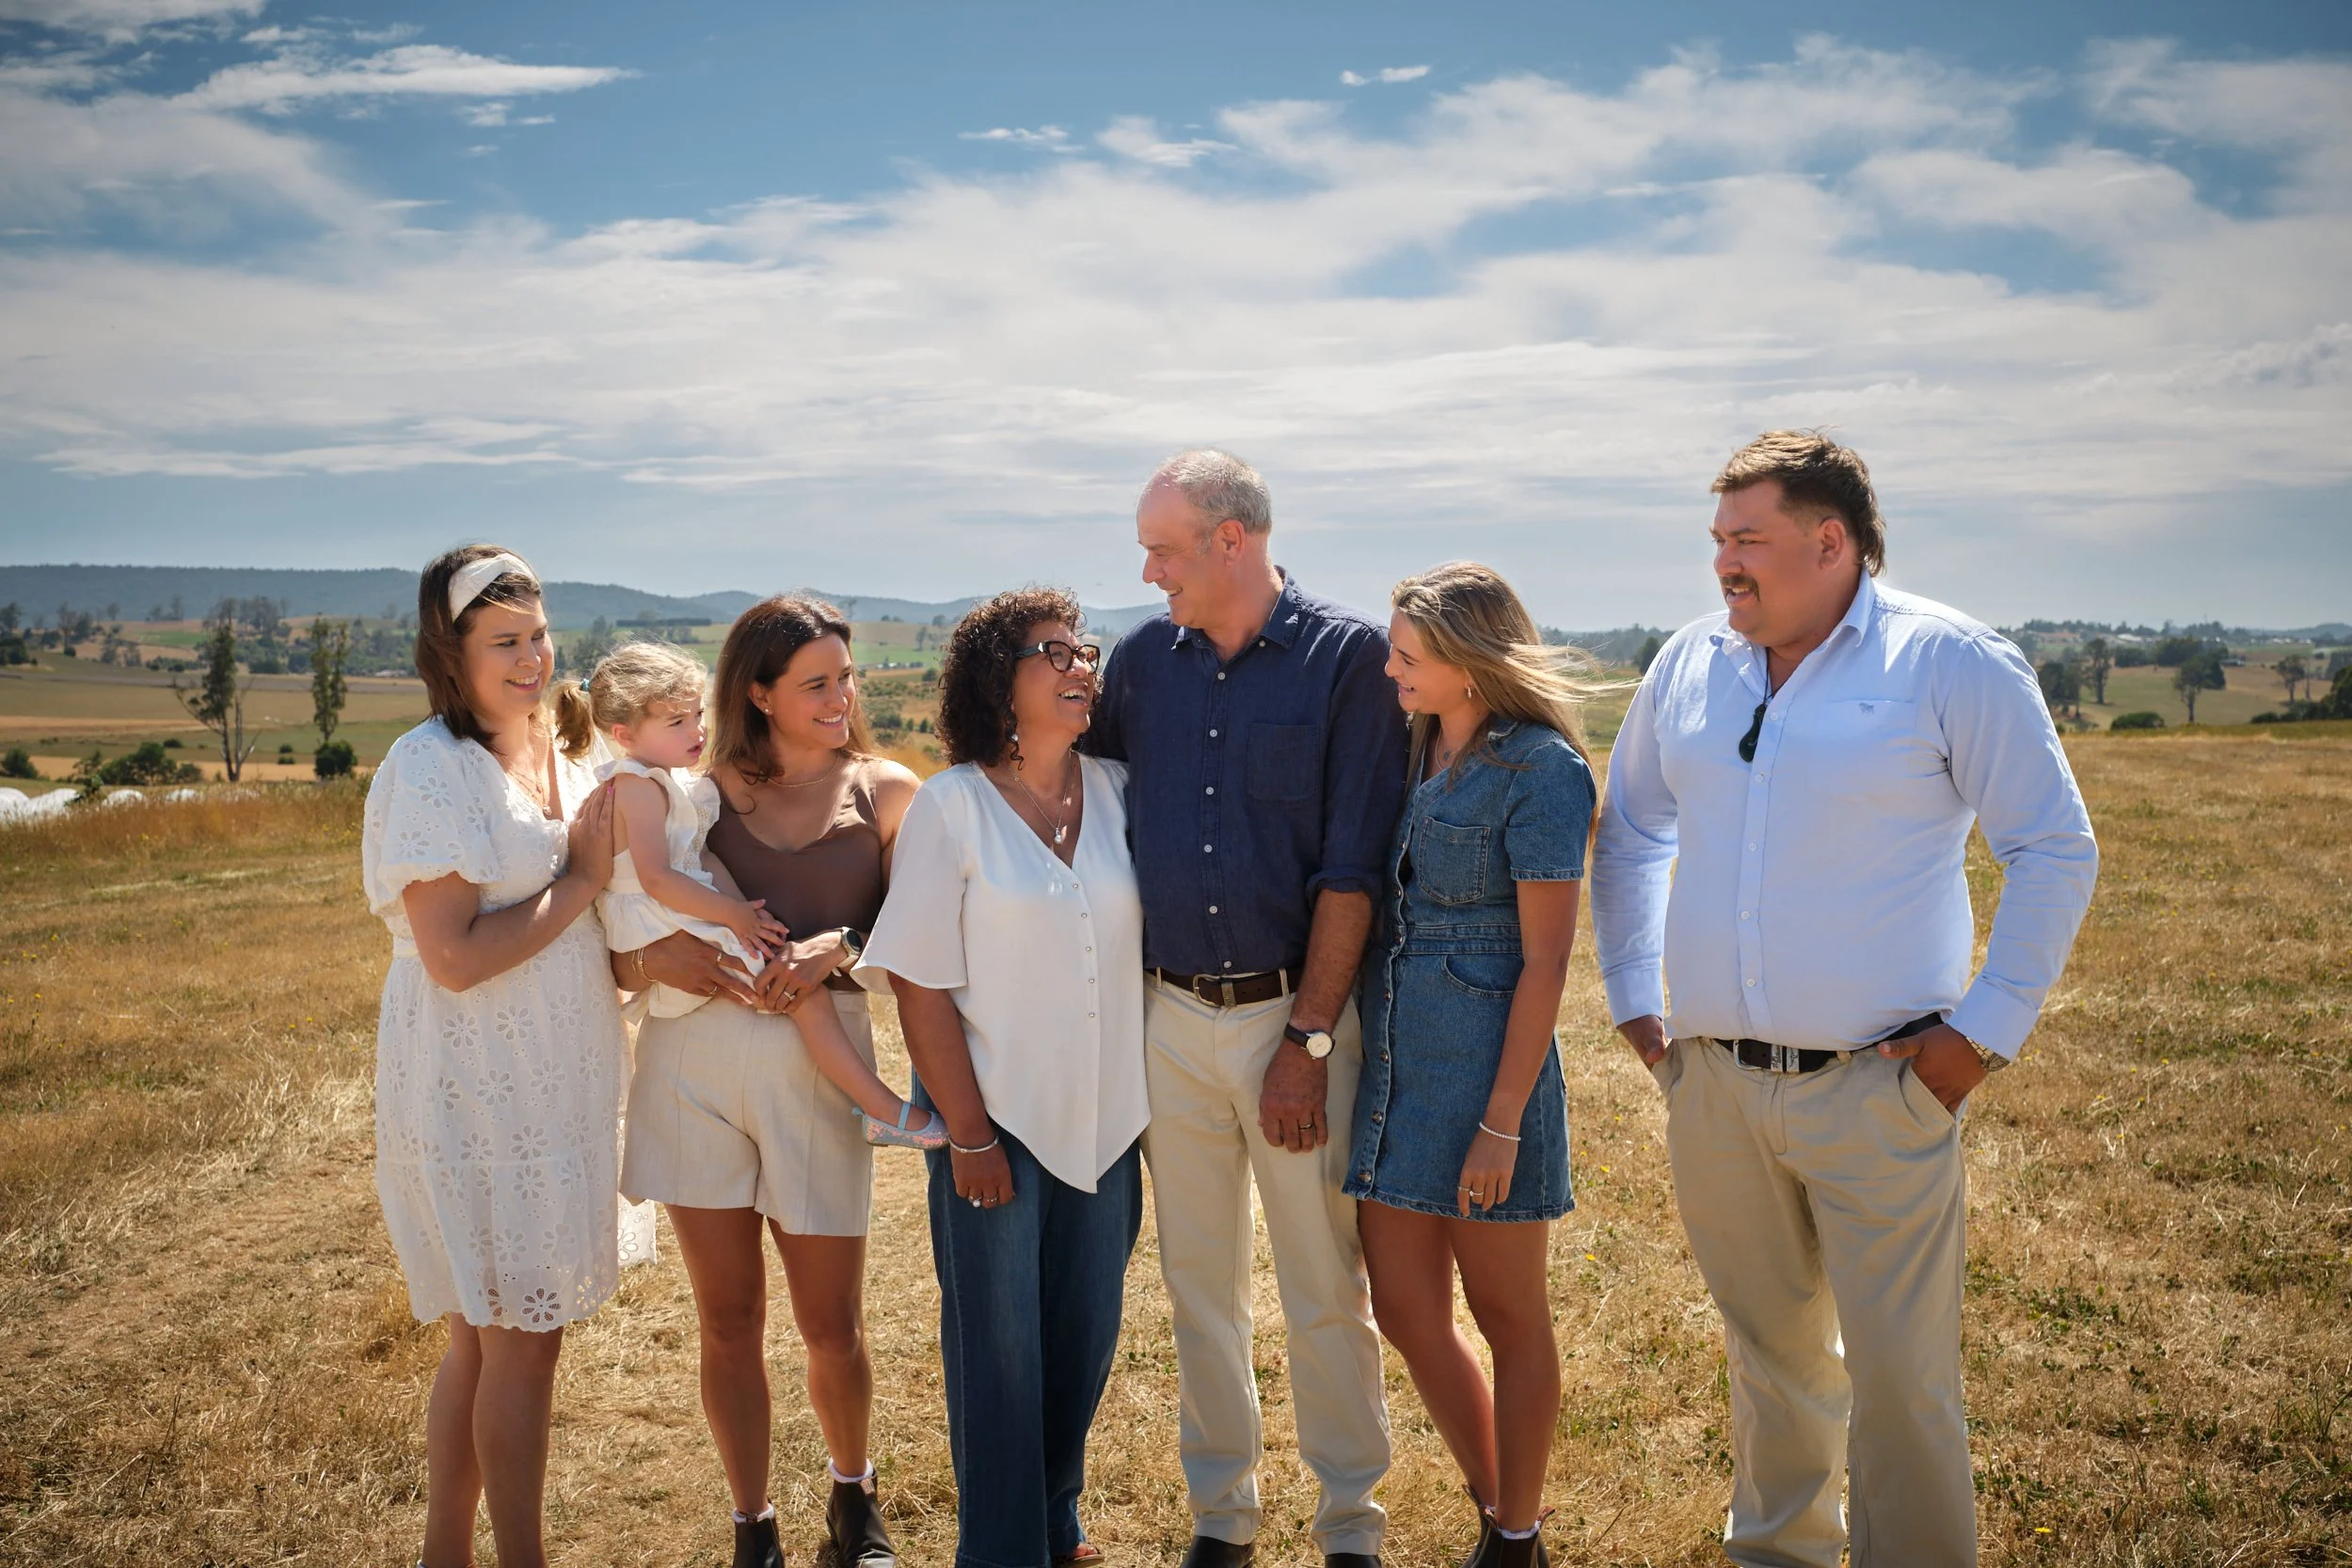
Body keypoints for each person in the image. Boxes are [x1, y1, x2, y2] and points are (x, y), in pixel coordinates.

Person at [1591, 431, 2099, 1568]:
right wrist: (1635, 999)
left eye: (1747, 540)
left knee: (1902, 1379)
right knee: (1768, 1357)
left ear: (1832, 542)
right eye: (1717, 539)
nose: (1723, 564)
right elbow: (1629, 829)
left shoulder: (1951, 662)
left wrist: (1979, 1039)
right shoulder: (1689, 663)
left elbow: (2054, 849)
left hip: (1883, 1088)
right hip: (1714, 1086)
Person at [1088, 449, 1408, 1568]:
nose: (1146, 569)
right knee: (1197, 1282)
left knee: (1325, 1281)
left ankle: (1349, 1526)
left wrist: (1309, 1040)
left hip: (1297, 1020)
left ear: (1235, 538)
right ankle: (1221, 1518)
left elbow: (1353, 869)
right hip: (1166, 1019)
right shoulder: (1138, 667)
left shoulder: (1345, 659)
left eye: (1163, 548)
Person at [611, 597, 920, 1568]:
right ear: (758, 691)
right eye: (816, 683)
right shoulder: (692, 791)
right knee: (728, 1316)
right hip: (692, 1066)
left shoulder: (888, 791)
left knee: (832, 1320)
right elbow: (620, 928)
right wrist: (648, 963)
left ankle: (852, 1496)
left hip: (821, 1070)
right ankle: (752, 1523)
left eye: (847, 677)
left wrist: (847, 946)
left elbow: (926, 936)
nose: (841, 698)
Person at [858, 588, 1150, 1568]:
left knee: (1085, 1340)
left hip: (1109, 1121)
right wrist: (970, 1134)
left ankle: (1054, 1515)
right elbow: (919, 980)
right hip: (999, 1124)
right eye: (1051, 651)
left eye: (1085, 650)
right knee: (1000, 1357)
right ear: (998, 679)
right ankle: (1002, 1548)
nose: (1080, 667)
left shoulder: (1117, 789)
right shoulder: (952, 807)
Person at [360, 544, 623, 1568]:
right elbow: (455, 958)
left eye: (539, 636)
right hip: (476, 1082)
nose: (530, 660)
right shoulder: (429, 767)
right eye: (503, 643)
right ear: (449, 652)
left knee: (487, 1329)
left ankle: (444, 1558)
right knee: (516, 1332)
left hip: (561, 1078)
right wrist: (585, 881)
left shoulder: (563, 744)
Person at [1348, 563, 1599, 1568]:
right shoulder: (1408, 749)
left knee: (1507, 1313)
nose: (1389, 668)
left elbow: (1544, 958)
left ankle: (1514, 1532)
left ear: (1468, 661)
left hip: (1489, 1078)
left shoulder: (1541, 769)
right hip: (1397, 1073)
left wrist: (1501, 1119)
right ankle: (1503, 1506)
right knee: (1406, 1308)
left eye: (1408, 655)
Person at [556, 641, 944, 1148]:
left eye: (697, 714)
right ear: (625, 735)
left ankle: (878, 1107)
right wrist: (734, 918)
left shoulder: (674, 784)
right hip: (664, 917)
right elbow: (656, 878)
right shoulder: (634, 788)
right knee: (807, 999)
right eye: (676, 722)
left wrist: (745, 911)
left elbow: (702, 857)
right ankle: (881, 1108)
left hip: (690, 908)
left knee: (799, 990)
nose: (696, 731)